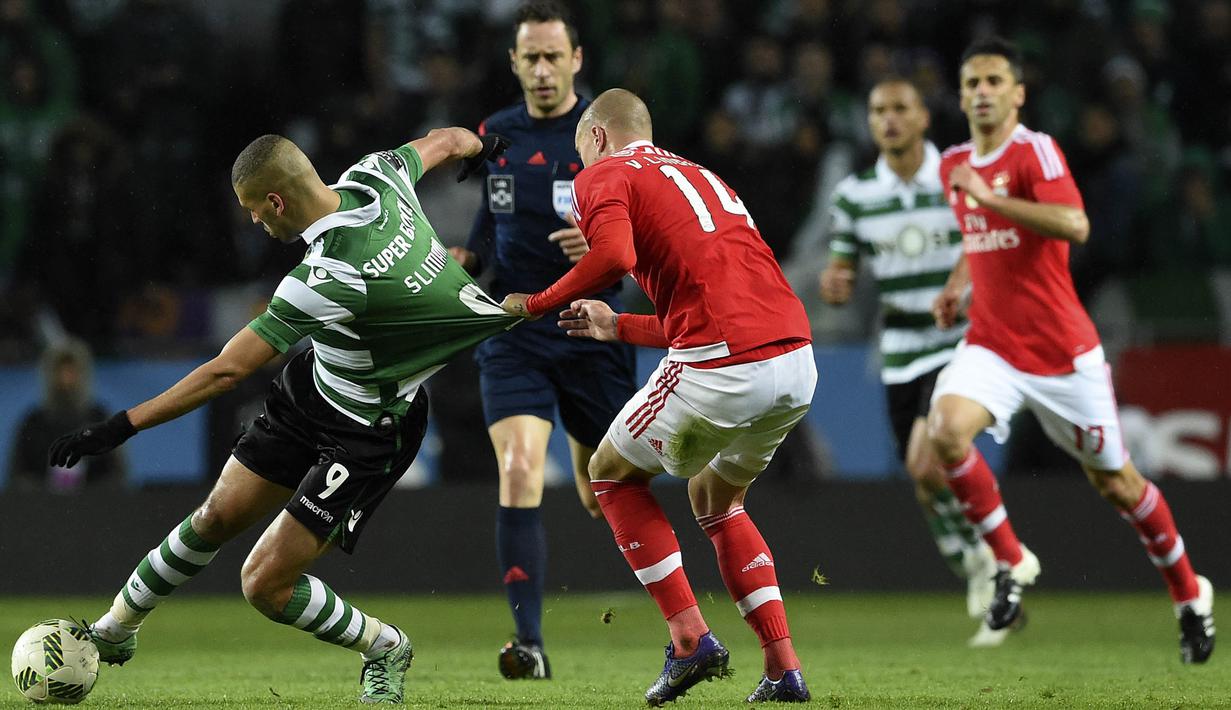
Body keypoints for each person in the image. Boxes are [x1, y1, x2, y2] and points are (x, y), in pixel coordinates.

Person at [47, 127, 515, 704]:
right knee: (215, 517)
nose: (252, 223)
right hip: (312, 393)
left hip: (369, 429)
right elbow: (444, 140)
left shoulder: (322, 278)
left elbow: (225, 371)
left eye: (251, 211)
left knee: (264, 584)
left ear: (275, 202)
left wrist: (120, 426)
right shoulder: (376, 176)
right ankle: (114, 631)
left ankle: (385, 645)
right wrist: (482, 148)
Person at [502, 88, 816, 705]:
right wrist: (617, 325)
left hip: (725, 367)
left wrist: (535, 303)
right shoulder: (699, 176)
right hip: (796, 361)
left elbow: (613, 257)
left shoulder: (604, 174)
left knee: (609, 475)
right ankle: (783, 668)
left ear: (595, 137)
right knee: (716, 499)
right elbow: (699, 313)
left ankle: (689, 638)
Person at [930, 36, 1214, 664]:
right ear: (961, 95)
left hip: (1063, 355)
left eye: (994, 81)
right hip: (992, 346)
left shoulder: (1035, 152)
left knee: (1118, 484)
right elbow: (979, 239)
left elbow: (1075, 224)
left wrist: (991, 195)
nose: (982, 92)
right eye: (972, 83)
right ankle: (1011, 560)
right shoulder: (955, 164)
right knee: (945, 431)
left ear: (1018, 92)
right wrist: (957, 285)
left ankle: (1190, 594)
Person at [449, 1, 637, 680]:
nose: (542, 69)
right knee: (521, 467)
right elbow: (489, 213)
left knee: (604, 490)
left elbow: (656, 229)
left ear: (576, 60)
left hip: (593, 328)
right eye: (529, 56)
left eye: (553, 55)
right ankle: (528, 644)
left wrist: (610, 242)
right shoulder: (494, 134)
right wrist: (467, 260)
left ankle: (685, 625)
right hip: (515, 325)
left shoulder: (606, 138)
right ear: (513, 63)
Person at [819, 78, 1001, 647]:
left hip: (956, 341)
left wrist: (960, 286)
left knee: (927, 462)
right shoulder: (854, 195)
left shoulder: (954, 176)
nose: (889, 119)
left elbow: (984, 242)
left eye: (900, 109)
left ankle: (992, 557)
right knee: (923, 479)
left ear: (924, 117)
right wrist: (834, 284)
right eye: (878, 111)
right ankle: (973, 558)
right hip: (897, 348)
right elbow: (840, 272)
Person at [9, 338, 126, 492]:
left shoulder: (100, 419)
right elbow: (18, 476)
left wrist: (86, 497)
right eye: (60, 371)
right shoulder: (33, 423)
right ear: (49, 375)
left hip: (95, 509)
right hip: (41, 509)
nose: (66, 379)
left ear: (83, 374)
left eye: (71, 371)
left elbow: (117, 475)